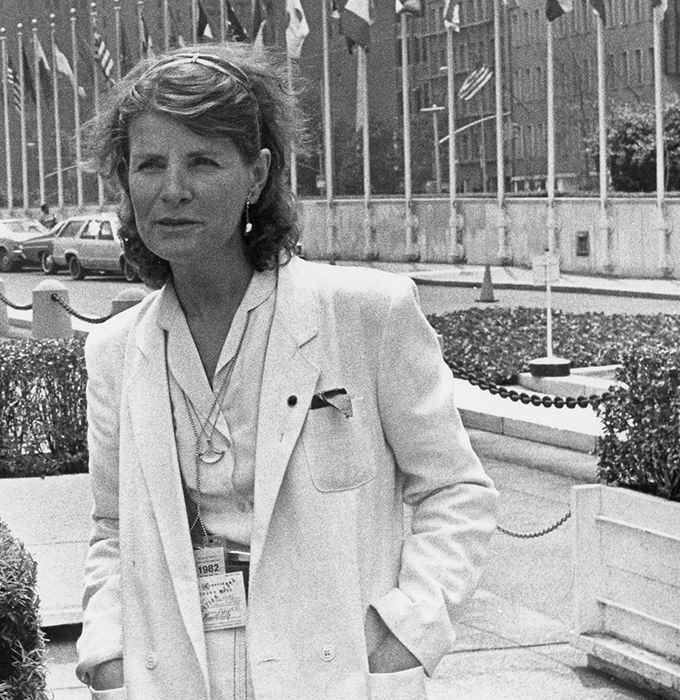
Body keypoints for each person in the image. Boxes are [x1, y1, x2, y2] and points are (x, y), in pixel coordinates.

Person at [76, 44, 498, 700]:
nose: (173, 189)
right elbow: (111, 524)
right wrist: (107, 652)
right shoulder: (113, 352)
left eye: (204, 161)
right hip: (180, 676)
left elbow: (455, 491)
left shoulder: (365, 314)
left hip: (331, 672)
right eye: (150, 164)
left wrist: (408, 627)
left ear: (256, 175)